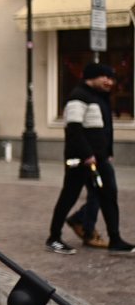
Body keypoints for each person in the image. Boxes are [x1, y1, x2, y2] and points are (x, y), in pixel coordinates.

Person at [45, 62, 135, 256]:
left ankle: (115, 239)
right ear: (92, 77)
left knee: (108, 195)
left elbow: (105, 130)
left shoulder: (100, 98)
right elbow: (74, 130)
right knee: (69, 196)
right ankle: (53, 238)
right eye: (105, 77)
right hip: (81, 161)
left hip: (100, 160)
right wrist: (87, 155)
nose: (109, 81)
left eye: (111, 78)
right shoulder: (78, 97)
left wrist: (107, 153)